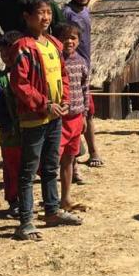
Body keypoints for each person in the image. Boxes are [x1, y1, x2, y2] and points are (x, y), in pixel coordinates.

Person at [10, 0, 81, 241]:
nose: (46, 17)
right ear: (27, 17)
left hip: (55, 116)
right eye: (41, 13)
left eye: (49, 12)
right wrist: (44, 104)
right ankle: (26, 221)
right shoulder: (23, 47)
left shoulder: (54, 44)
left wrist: (62, 102)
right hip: (34, 118)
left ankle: (52, 211)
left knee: (51, 166)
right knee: (29, 170)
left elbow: (63, 75)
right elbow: (20, 84)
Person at [64, 0, 103, 169]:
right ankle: (78, 151)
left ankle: (91, 150)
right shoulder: (68, 13)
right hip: (71, 68)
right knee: (75, 110)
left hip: (84, 66)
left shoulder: (85, 11)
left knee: (88, 111)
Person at [0, 31, 24, 219]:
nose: (7, 57)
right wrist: (6, 123)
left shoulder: (32, 75)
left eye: (10, 53)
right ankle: (14, 201)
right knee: (12, 169)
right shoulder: (0, 81)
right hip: (10, 135)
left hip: (32, 131)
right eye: (3, 54)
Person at [57, 23, 90, 214]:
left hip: (77, 117)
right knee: (53, 159)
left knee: (69, 159)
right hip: (60, 118)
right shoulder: (56, 61)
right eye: (65, 37)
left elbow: (85, 89)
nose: (69, 41)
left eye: (73, 38)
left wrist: (84, 114)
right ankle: (52, 199)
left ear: (78, 41)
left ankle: (65, 198)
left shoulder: (81, 62)